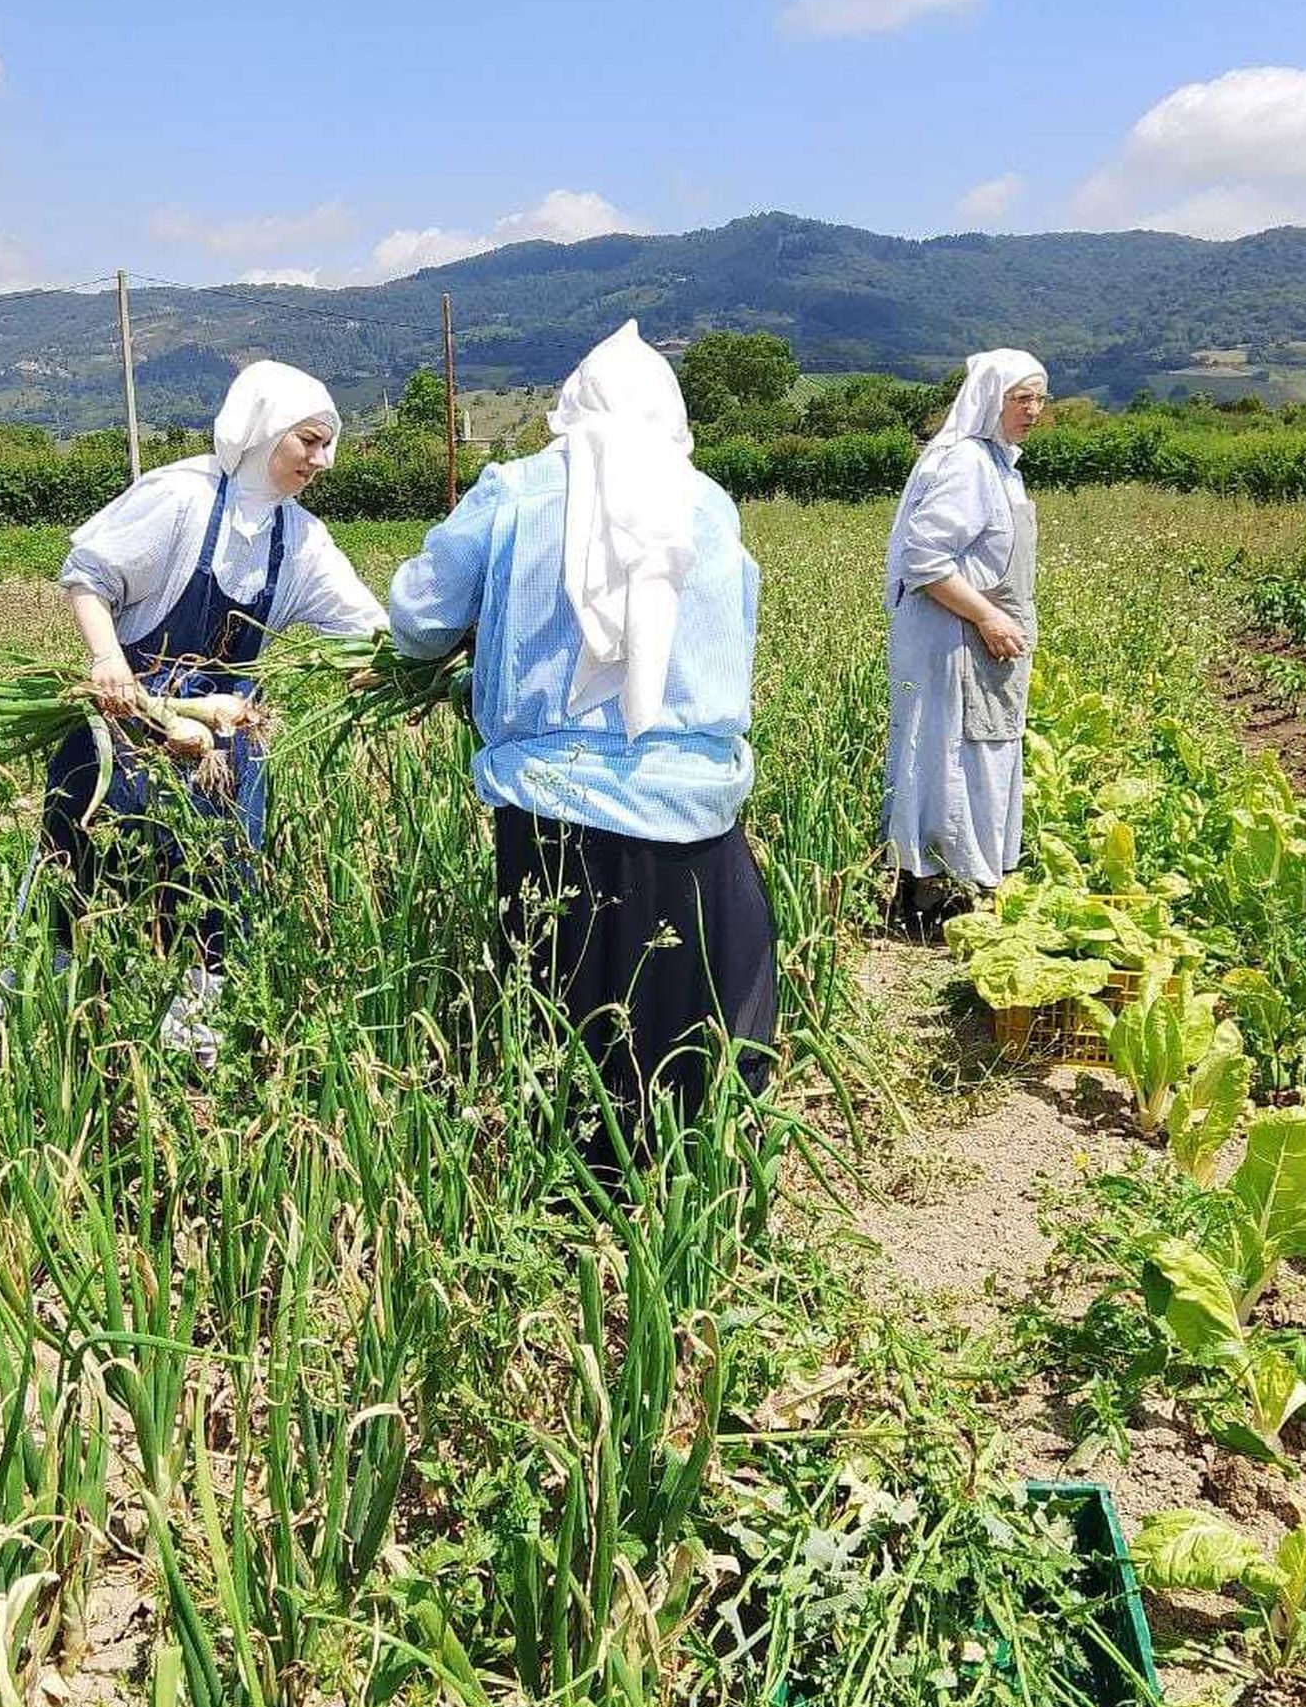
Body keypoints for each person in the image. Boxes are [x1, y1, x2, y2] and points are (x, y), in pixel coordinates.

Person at [386, 319, 775, 1159]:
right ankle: (682, 1197)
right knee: (683, 1018)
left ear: (573, 406)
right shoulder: (705, 502)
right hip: (693, 806)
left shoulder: (517, 489)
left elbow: (418, 619)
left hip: (552, 807)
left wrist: (475, 642)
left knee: (568, 1017)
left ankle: (573, 1211)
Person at [44, 360, 386, 1062]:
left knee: (217, 891)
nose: (322, 460)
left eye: (328, 446)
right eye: (310, 441)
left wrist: (396, 666)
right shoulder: (182, 496)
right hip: (129, 720)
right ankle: (62, 1032)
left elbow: (361, 625)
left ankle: (188, 1048)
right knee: (87, 875)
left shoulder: (300, 538)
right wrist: (108, 661)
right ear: (264, 432)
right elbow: (89, 575)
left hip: (222, 740)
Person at [881, 347, 1049, 940]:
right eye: (1021, 397)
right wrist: (987, 617)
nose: (1033, 409)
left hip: (981, 644)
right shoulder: (966, 465)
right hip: (956, 644)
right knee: (951, 758)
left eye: (1039, 397)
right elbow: (925, 560)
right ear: (989, 399)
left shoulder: (999, 464)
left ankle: (964, 881)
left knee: (977, 754)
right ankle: (938, 888)